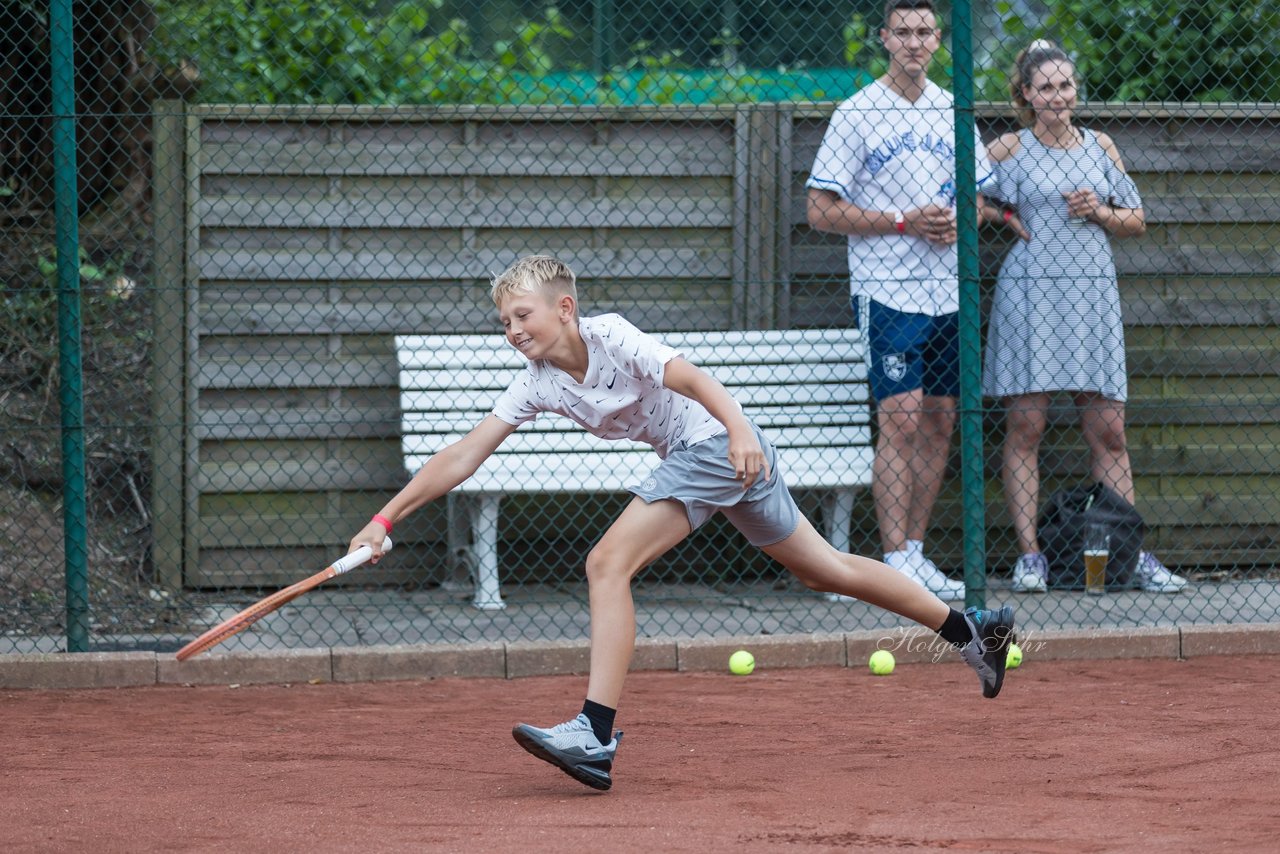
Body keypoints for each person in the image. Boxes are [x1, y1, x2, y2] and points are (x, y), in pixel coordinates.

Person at [347, 255, 1016, 791]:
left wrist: (739, 431)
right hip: (711, 459)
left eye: (521, 315)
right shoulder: (537, 381)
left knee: (606, 563)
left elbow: (691, 378)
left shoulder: (611, 336)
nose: (512, 330)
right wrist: (384, 518)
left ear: (564, 308)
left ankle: (595, 732)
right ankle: (971, 633)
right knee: (825, 571)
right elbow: (465, 453)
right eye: (503, 322)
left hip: (719, 446)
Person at [978, 40, 1188, 594]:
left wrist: (1098, 210)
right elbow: (960, 195)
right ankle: (1031, 558)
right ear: (1025, 94)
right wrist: (1002, 213)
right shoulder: (1008, 148)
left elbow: (1136, 218)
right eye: (1045, 87)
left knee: (1110, 431)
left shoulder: (1100, 146)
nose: (1058, 96)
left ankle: (1130, 554)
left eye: (1065, 85)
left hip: (1091, 296)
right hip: (1031, 296)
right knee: (1027, 425)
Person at [806, 0, 992, 600]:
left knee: (940, 422)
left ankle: (914, 552)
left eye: (925, 32)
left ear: (939, 40)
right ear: (885, 38)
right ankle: (890, 558)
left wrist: (958, 220)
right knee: (902, 421)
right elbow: (819, 211)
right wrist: (902, 222)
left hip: (949, 293)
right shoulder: (858, 113)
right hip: (887, 290)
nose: (914, 42)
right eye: (903, 32)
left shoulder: (952, 110)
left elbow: (985, 201)